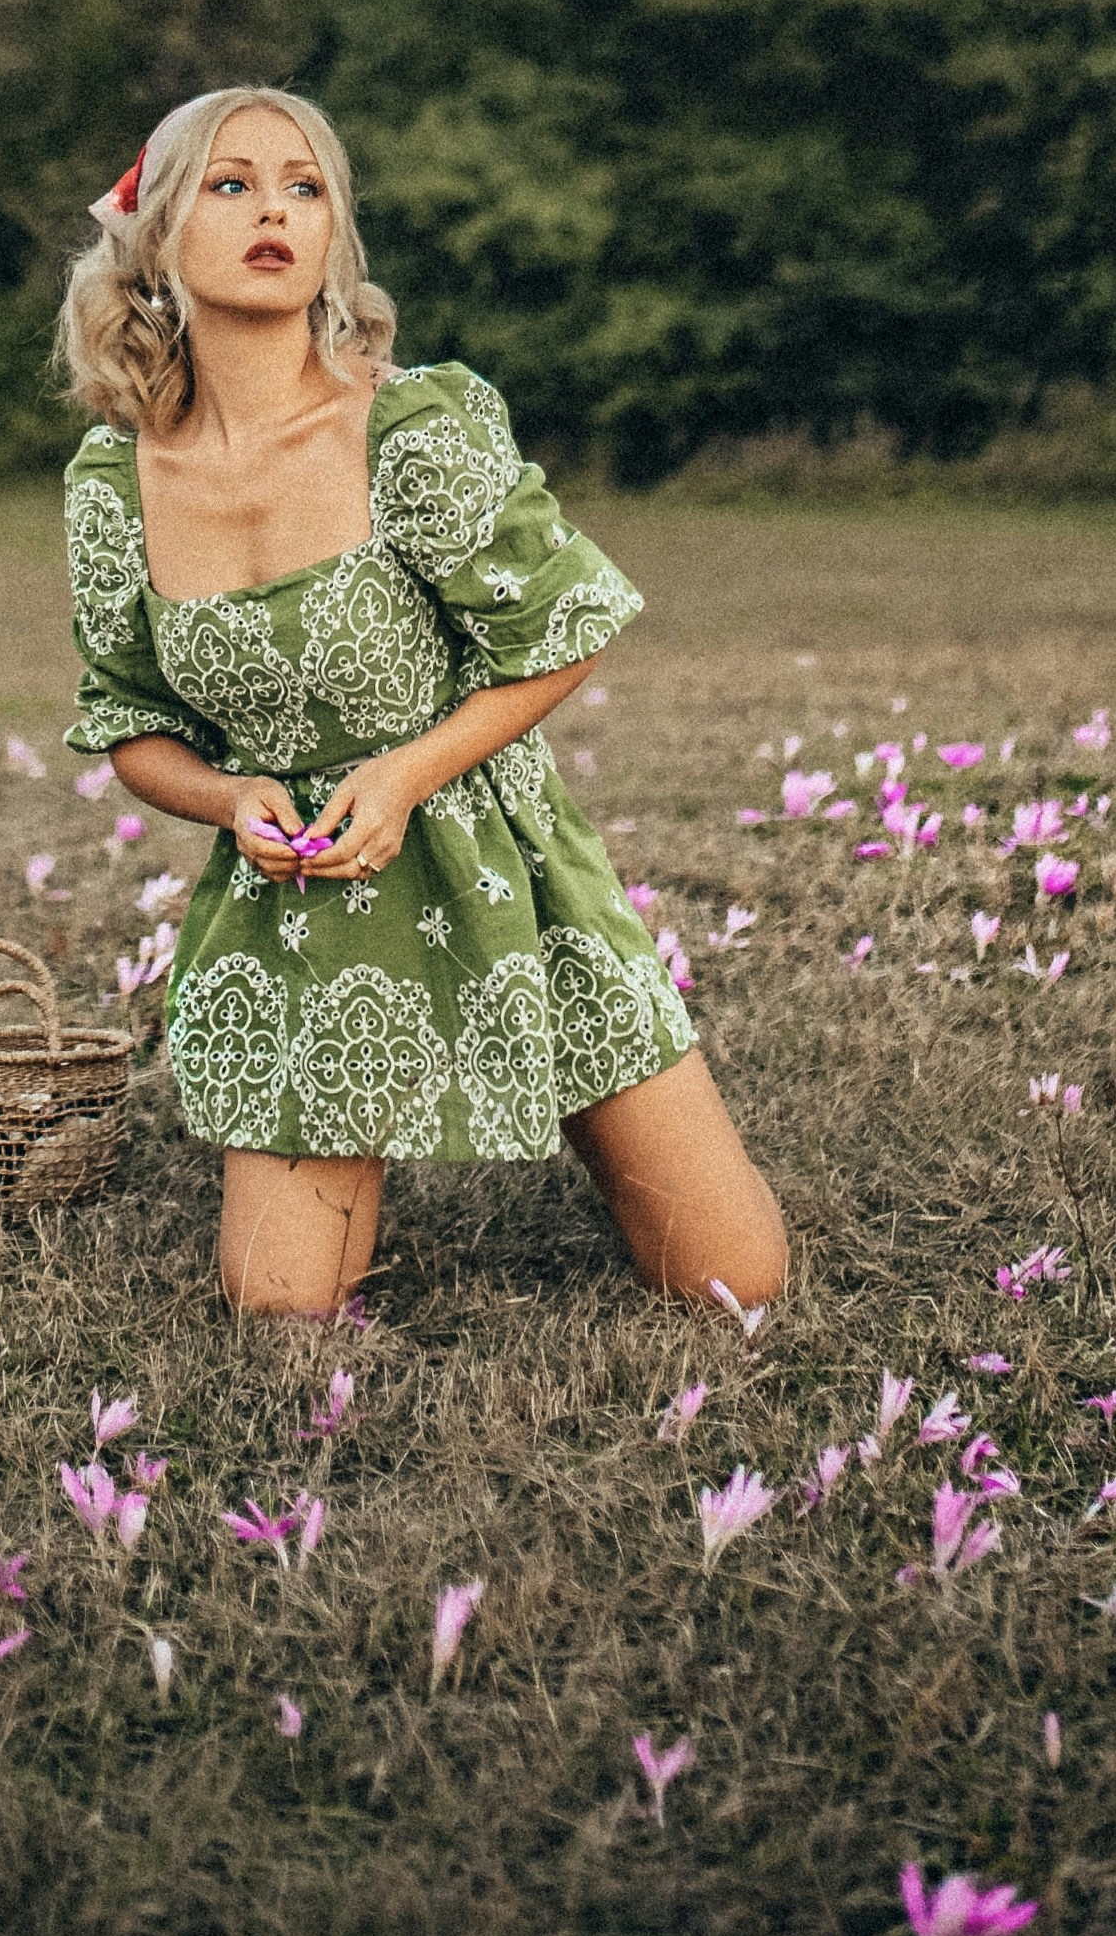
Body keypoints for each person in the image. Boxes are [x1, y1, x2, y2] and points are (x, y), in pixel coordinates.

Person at [57, 82, 788, 1319]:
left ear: (336, 236)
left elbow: (566, 628)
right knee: (278, 1306)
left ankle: (604, 1127)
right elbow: (127, 720)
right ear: (158, 237)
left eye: (306, 186)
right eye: (229, 184)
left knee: (733, 1279)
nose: (273, 210)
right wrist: (231, 794)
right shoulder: (110, 481)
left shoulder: (410, 425)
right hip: (301, 904)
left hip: (496, 861)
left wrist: (403, 774)